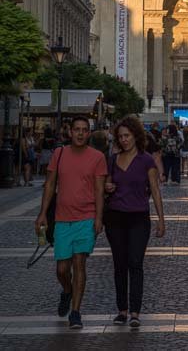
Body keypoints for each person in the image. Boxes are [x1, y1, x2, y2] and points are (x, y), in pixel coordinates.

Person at [34, 116, 107, 330]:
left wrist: (99, 218)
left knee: (79, 263)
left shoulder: (97, 157)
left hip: (86, 217)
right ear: (70, 132)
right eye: (77, 129)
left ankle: (75, 312)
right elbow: (49, 185)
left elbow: (99, 190)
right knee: (62, 269)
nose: (81, 133)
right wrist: (42, 214)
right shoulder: (59, 154)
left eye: (85, 130)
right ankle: (66, 290)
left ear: (89, 133)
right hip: (62, 219)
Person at [104, 115, 165, 328]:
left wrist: (161, 220)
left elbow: (155, 190)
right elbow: (107, 184)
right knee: (119, 264)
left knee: (135, 263)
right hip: (115, 217)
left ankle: (135, 312)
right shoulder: (112, 160)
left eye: (127, 136)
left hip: (139, 217)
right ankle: (122, 310)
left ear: (135, 136)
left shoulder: (146, 159)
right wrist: (107, 187)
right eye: (120, 136)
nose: (123, 140)